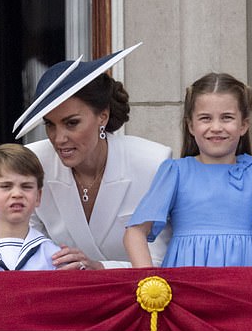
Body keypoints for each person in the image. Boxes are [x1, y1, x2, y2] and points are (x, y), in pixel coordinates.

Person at [12, 43, 172, 269]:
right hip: (62, 297)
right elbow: (25, 255)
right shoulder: (34, 164)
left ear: (102, 117)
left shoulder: (152, 163)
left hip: (135, 298)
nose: (58, 138)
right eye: (50, 125)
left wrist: (99, 268)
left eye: (71, 123)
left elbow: (161, 262)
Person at [124, 72, 252, 267]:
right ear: (191, 126)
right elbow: (134, 233)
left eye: (227, 118)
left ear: (244, 125)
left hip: (243, 290)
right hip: (186, 291)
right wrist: (151, 282)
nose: (216, 127)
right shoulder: (175, 172)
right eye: (205, 118)